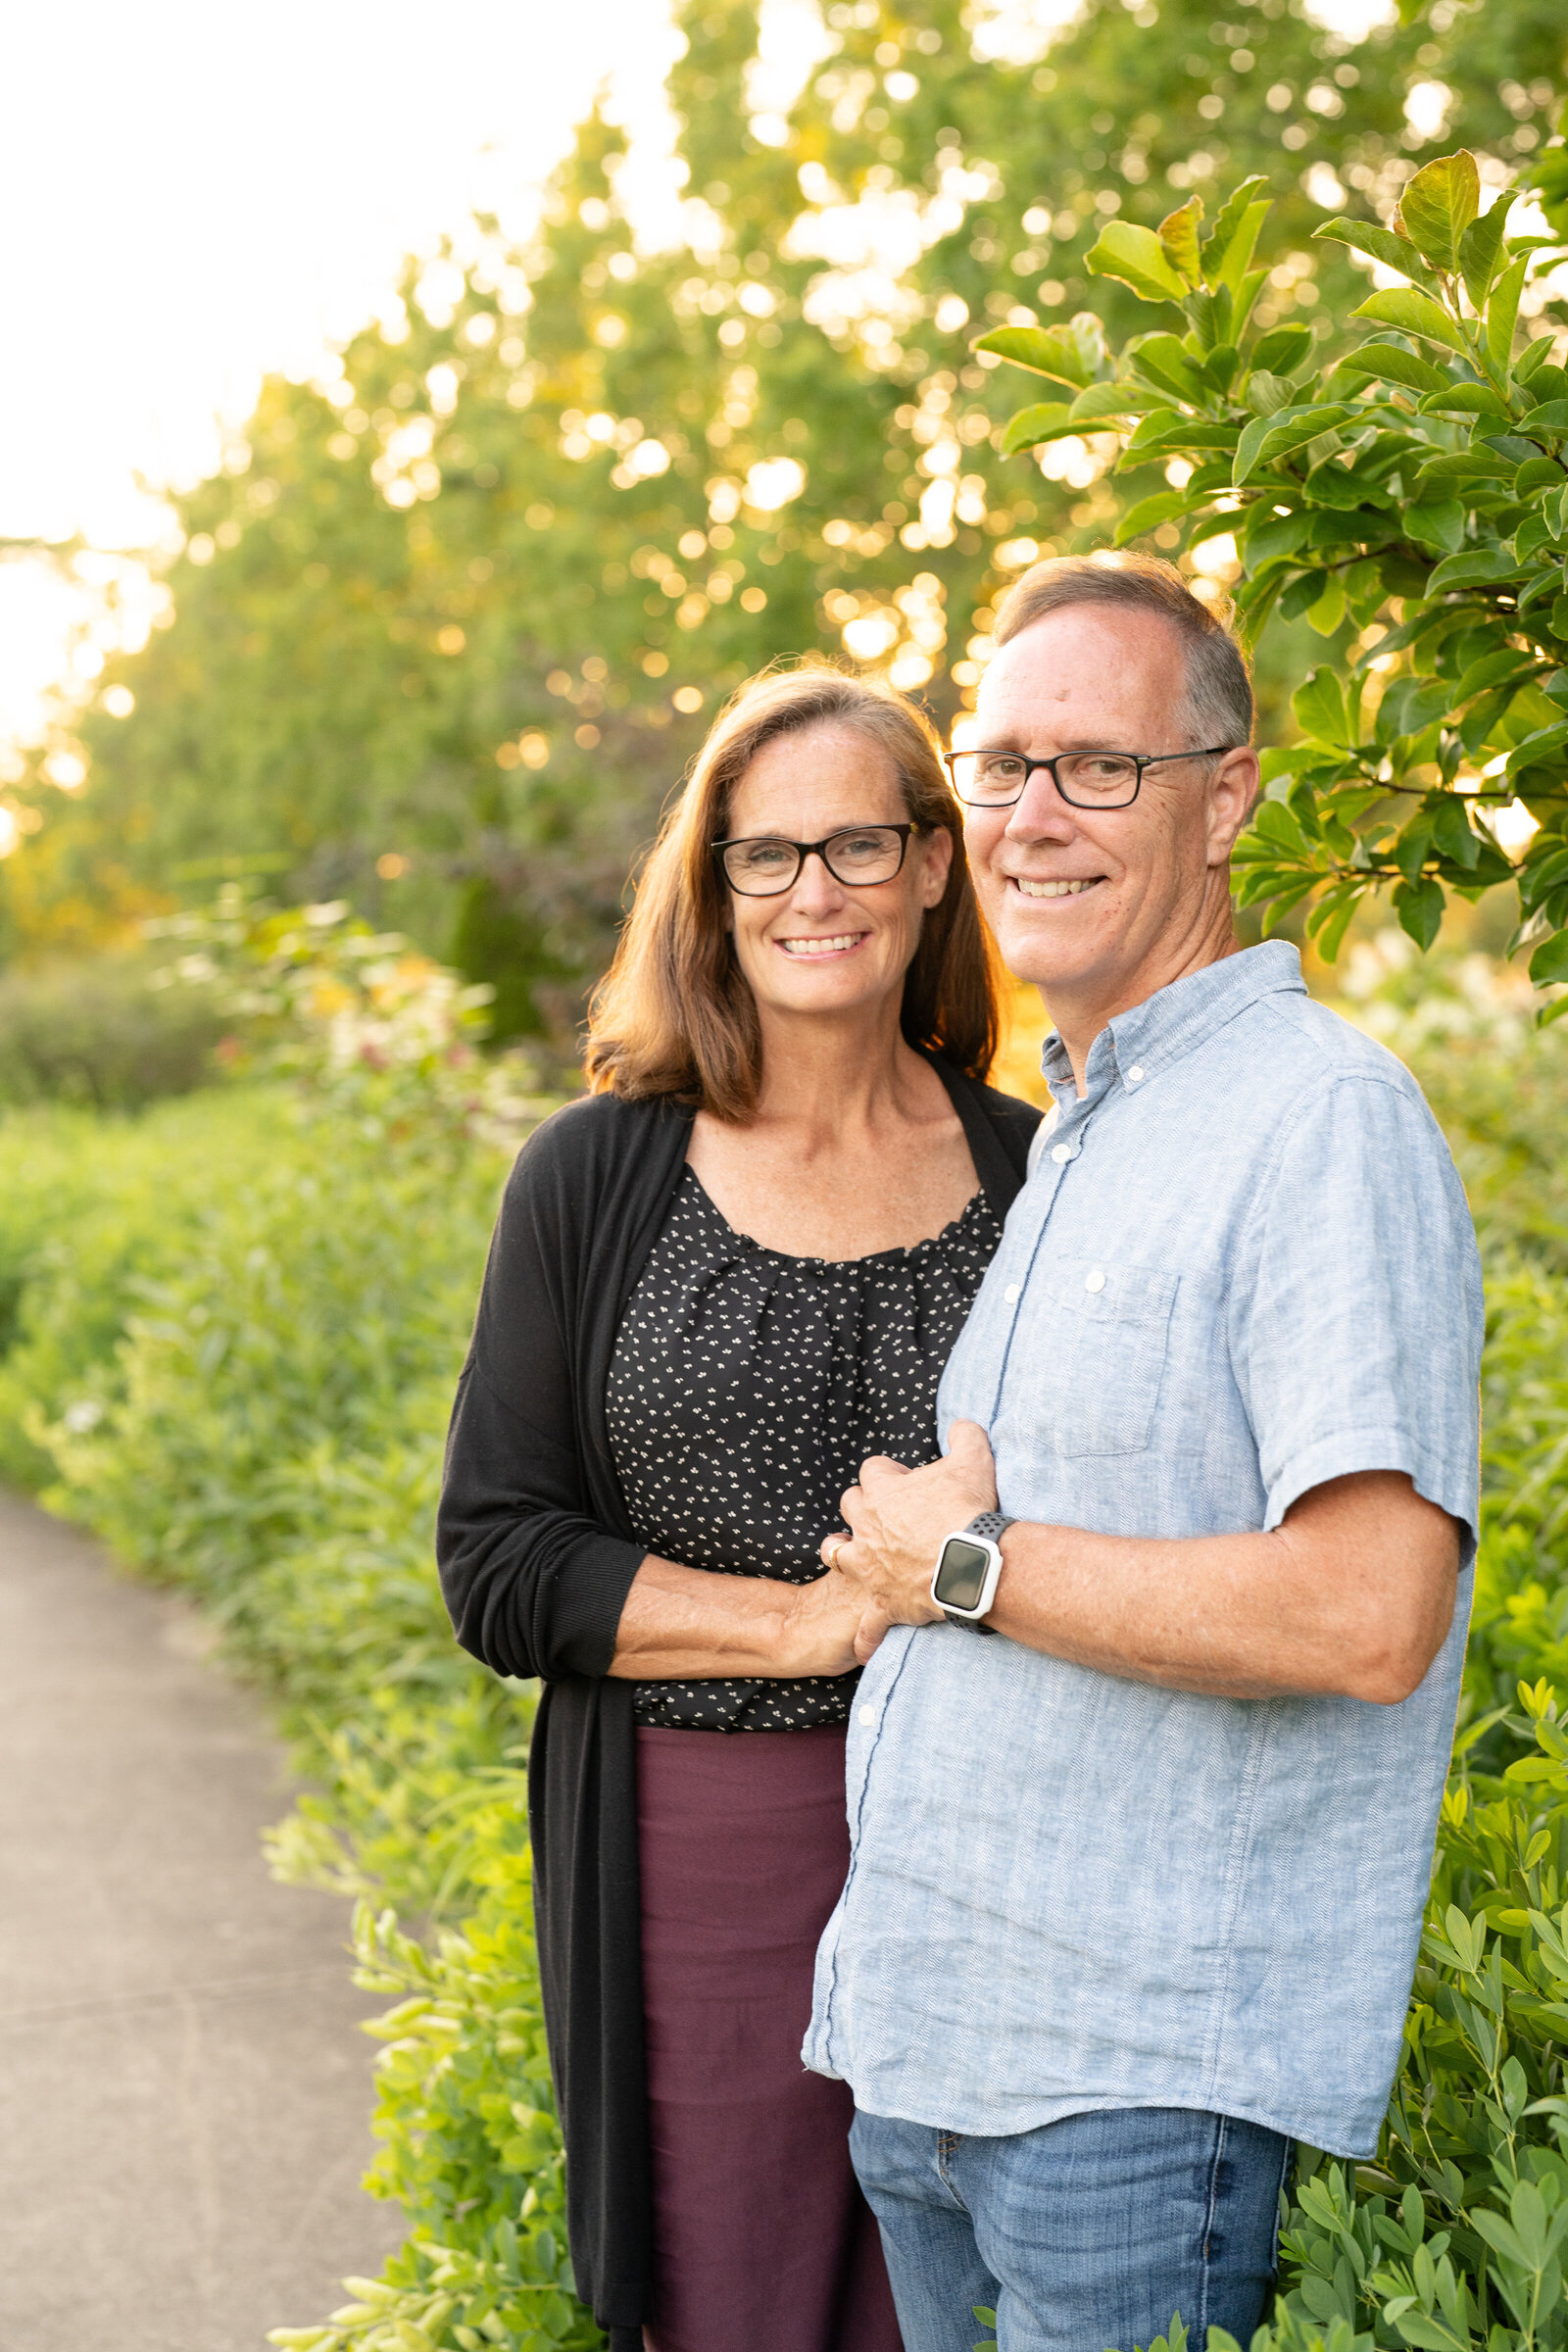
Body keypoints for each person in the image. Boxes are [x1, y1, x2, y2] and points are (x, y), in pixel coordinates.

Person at [805, 554, 1484, 2352]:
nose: (1036, 817)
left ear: (1228, 795)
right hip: (938, 2055)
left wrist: (964, 1567)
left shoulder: (1318, 1119)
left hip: (1126, 2094)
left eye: (1099, 766)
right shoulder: (1094, 1125)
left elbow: (1369, 1613)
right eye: (1005, 763)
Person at [435, 663, 1042, 2352]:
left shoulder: (1035, 1169)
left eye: (856, 845)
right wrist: (814, 1620)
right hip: (704, 1852)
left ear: (934, 864)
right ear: (710, 890)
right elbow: (500, 1564)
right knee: (743, 2305)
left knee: (976, 2313)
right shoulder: (597, 1174)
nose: (813, 894)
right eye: (764, 856)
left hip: (987, 1850)